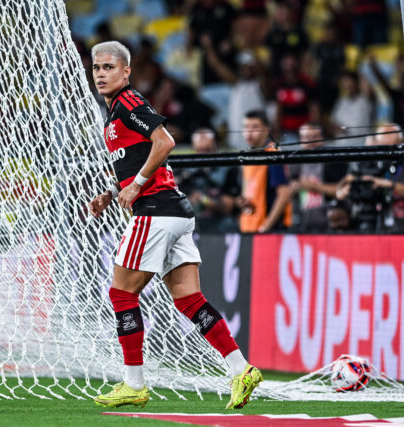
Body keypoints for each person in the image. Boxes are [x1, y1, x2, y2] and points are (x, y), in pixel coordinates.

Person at [88, 41, 262, 410]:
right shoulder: (115, 111)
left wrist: (136, 185)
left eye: (109, 67)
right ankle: (241, 369)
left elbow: (165, 142)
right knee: (189, 300)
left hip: (155, 211)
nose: (101, 74)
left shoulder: (129, 102)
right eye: (97, 68)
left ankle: (134, 383)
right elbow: (137, 158)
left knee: (121, 294)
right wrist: (112, 192)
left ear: (126, 71)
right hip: (176, 212)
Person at [336, 123, 404, 233]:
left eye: (392, 148)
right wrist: (344, 190)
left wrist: (389, 185)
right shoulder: (373, 161)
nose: (388, 154)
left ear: (401, 142)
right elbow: (344, 183)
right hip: (379, 225)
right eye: (383, 147)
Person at [177, 129, 241, 232]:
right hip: (194, 226)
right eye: (200, 150)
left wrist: (203, 199)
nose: (203, 155)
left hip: (221, 226)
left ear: (216, 146)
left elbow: (226, 209)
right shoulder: (186, 171)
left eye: (207, 150)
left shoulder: (228, 168)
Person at [238, 110, 292, 233]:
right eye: (246, 127)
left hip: (270, 231)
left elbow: (284, 194)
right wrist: (242, 202)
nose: (249, 132)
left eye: (255, 127)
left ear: (266, 130)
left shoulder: (272, 153)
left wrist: (265, 228)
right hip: (249, 227)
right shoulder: (246, 157)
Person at [288, 123, 347, 232]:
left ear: (323, 138)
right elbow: (286, 190)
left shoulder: (334, 161)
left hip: (329, 220)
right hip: (301, 220)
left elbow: (342, 190)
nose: (311, 142)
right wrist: (294, 187)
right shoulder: (294, 163)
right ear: (300, 140)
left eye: (315, 137)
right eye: (306, 137)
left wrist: (314, 186)